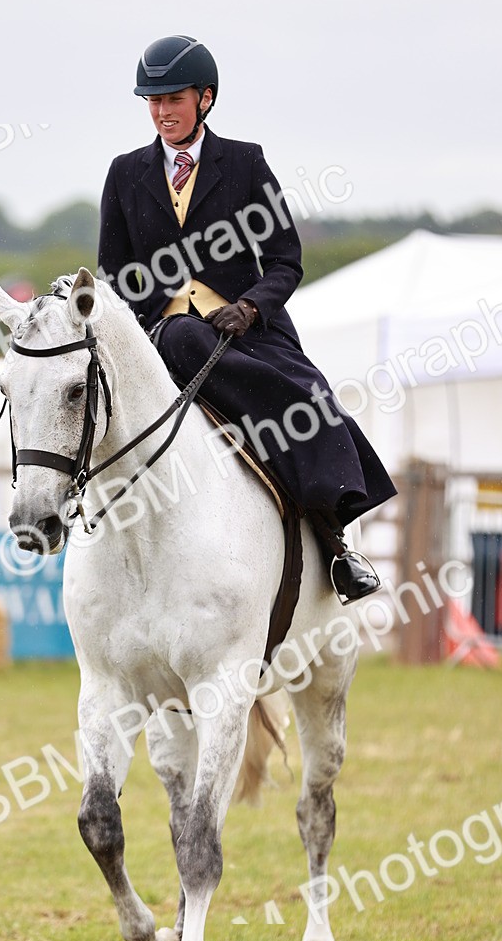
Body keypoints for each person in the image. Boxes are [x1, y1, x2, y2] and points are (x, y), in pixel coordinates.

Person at [98, 35, 396, 603]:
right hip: (160, 334)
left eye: (173, 98)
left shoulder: (244, 162)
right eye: (152, 100)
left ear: (205, 99)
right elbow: (114, 273)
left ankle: (335, 542)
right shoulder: (124, 173)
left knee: (309, 395)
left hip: (245, 330)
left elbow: (286, 259)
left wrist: (251, 305)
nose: (162, 111)